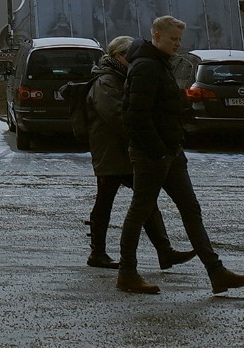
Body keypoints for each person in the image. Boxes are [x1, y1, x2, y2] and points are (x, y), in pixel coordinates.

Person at [117, 15, 244, 295]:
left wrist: (172, 146)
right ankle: (127, 272)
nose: (177, 45)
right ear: (156, 35)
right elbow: (135, 115)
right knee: (140, 210)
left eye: (179, 40)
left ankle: (216, 272)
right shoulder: (146, 66)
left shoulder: (157, 63)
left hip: (169, 152)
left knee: (190, 210)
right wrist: (158, 150)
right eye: (172, 39)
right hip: (152, 153)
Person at [82, 35, 193, 271]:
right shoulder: (106, 81)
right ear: (118, 56)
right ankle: (98, 253)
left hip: (127, 150)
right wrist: (144, 136)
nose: (134, 59)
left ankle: (165, 252)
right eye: (129, 55)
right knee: (106, 202)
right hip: (112, 151)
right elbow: (118, 117)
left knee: (146, 201)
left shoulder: (122, 76)